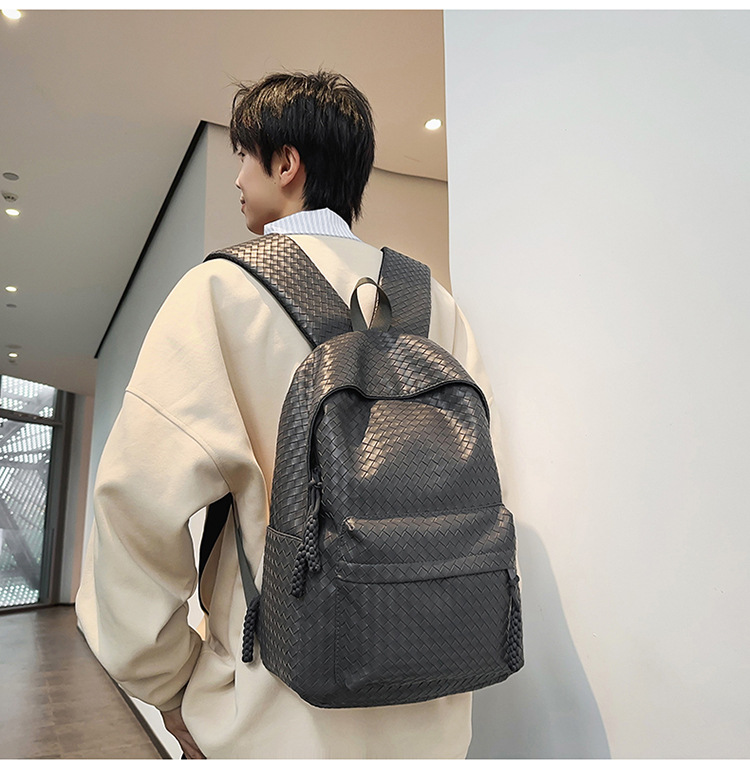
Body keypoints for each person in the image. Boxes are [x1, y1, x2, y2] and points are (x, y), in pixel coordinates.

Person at [75, 70, 507, 759]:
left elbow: (134, 505)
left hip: (273, 718)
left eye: (244, 157)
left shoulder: (220, 292)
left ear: (286, 164)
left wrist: (170, 684)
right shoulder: (435, 304)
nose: (237, 177)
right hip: (438, 710)